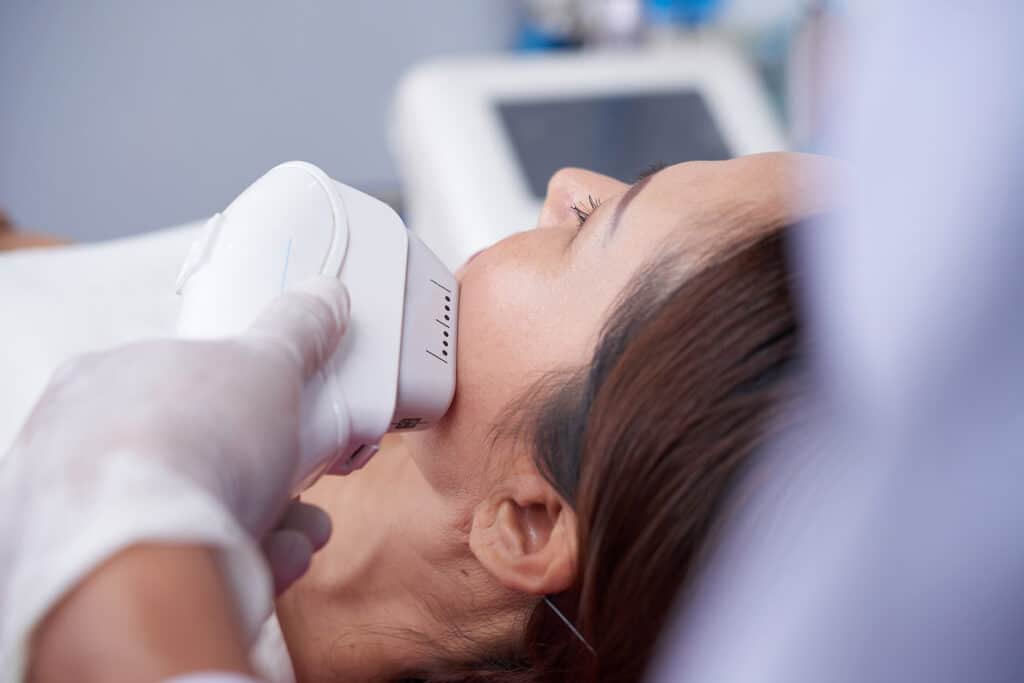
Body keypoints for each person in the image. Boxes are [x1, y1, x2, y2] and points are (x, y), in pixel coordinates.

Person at [2, 152, 836, 682]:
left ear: (530, 522)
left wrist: (131, 504)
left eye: (591, 228)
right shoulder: (316, 294)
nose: (566, 185)